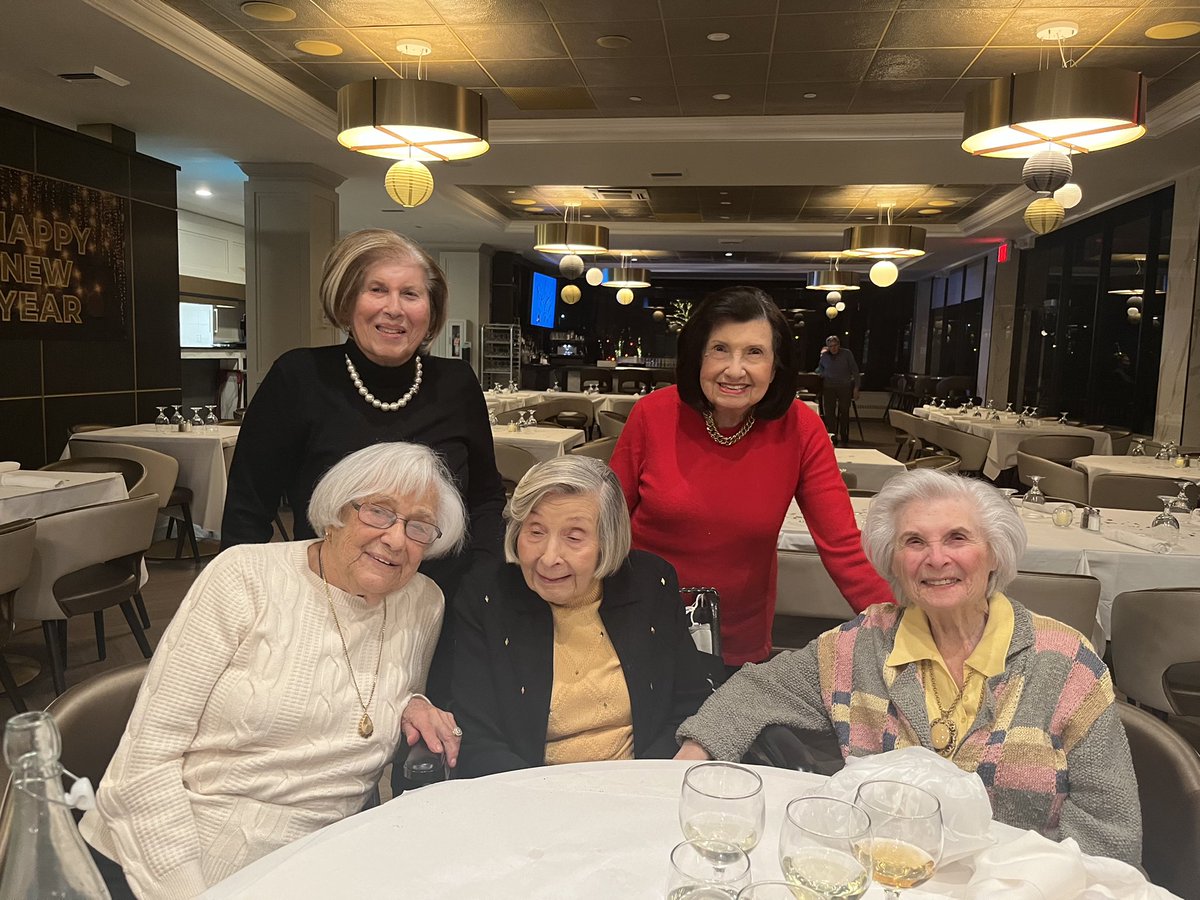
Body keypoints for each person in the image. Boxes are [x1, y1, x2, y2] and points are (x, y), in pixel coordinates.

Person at [675, 469, 1141, 866]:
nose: (936, 559)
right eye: (914, 542)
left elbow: (1109, 833)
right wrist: (695, 755)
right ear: (893, 563)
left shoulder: (1066, 664)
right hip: (887, 877)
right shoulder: (863, 646)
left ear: (995, 552)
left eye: (957, 538)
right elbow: (755, 689)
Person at [80, 443, 469, 899]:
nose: (397, 539)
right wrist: (186, 890)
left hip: (319, 863)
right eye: (379, 512)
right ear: (335, 513)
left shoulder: (423, 601)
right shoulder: (243, 577)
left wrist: (414, 703)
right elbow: (144, 764)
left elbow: (381, 687)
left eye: (418, 526)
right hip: (166, 857)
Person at [221, 228, 505, 698]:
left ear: (429, 312)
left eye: (410, 294)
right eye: (378, 290)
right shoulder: (300, 378)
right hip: (330, 603)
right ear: (348, 300)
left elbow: (486, 497)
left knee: (435, 741)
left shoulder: (455, 383)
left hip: (441, 602)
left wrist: (484, 582)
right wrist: (245, 606)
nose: (394, 308)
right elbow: (248, 509)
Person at [609, 286, 891, 670]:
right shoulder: (652, 415)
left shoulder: (801, 428)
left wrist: (905, 628)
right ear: (697, 357)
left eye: (754, 353)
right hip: (639, 623)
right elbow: (604, 524)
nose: (735, 369)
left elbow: (842, 545)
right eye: (720, 349)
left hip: (736, 638)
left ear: (775, 367)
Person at [452, 456, 716, 778]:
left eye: (574, 537)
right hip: (527, 797)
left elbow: (689, 700)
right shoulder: (486, 596)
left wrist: (646, 782)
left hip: (641, 785)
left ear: (608, 540)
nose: (549, 558)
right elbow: (475, 738)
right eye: (535, 532)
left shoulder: (650, 583)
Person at [816, 334, 860, 446]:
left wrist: (856, 388)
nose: (833, 348)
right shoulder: (824, 356)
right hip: (829, 387)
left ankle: (844, 436)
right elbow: (819, 368)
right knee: (829, 412)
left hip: (844, 386)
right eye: (831, 346)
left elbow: (855, 370)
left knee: (844, 411)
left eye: (835, 345)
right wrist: (821, 372)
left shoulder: (847, 354)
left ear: (839, 345)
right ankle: (832, 436)